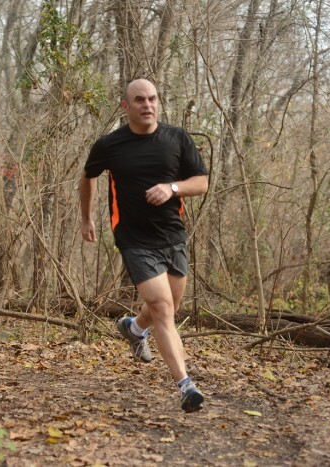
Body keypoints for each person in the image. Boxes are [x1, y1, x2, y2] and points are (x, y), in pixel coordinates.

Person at [79, 78, 209, 412]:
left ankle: (135, 328)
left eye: (152, 99)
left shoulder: (176, 138)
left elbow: (202, 182)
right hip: (133, 238)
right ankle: (186, 386)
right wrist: (86, 218)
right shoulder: (110, 145)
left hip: (172, 235)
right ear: (126, 106)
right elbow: (88, 175)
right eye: (139, 100)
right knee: (164, 309)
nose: (147, 105)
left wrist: (172, 188)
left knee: (169, 307)